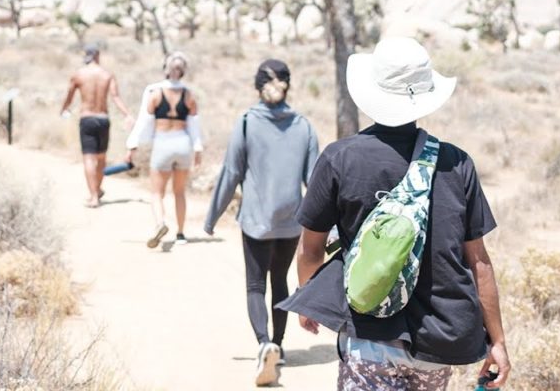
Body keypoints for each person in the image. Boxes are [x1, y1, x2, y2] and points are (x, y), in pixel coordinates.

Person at [280, 37, 511, 390]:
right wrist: (497, 341)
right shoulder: (456, 163)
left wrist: (310, 302)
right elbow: (478, 261)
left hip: (370, 337)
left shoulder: (340, 159)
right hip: (438, 343)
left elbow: (309, 249)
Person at [204, 60, 319, 388]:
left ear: (257, 87)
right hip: (291, 221)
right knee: (280, 280)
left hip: (256, 219)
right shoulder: (304, 126)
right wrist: (333, 226)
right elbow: (315, 181)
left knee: (256, 284)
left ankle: (263, 342)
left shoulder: (245, 123)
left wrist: (212, 216)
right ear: (288, 86)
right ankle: (279, 347)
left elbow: (231, 173)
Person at [126, 51, 203, 248]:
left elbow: (143, 121)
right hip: (183, 144)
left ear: (166, 69)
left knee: (156, 192)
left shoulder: (155, 93)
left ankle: (160, 223)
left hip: (163, 143)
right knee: (179, 192)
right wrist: (198, 149)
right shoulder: (188, 95)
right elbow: (194, 125)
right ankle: (180, 234)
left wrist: (132, 145)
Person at [60, 46, 135, 208]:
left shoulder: (79, 74)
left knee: (88, 157)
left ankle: (93, 196)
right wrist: (127, 114)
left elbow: (69, 96)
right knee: (101, 157)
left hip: (87, 118)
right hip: (103, 118)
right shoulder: (107, 75)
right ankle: (98, 189)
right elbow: (115, 97)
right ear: (98, 56)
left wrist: (63, 109)